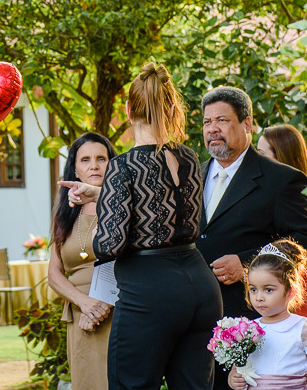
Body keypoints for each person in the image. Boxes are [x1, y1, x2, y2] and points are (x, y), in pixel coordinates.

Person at [89, 63, 222, 390]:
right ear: (171, 107)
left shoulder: (123, 165)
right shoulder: (190, 157)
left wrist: (96, 226)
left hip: (149, 293)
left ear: (128, 109)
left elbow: (110, 245)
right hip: (201, 287)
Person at [197, 87, 307, 389]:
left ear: (248, 124)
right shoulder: (192, 177)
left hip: (251, 327)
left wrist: (248, 263)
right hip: (193, 326)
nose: (213, 128)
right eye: (206, 122)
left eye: (222, 120)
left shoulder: (282, 179)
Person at [47, 132, 117, 390]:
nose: (94, 165)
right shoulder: (64, 213)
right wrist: (84, 303)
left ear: (113, 164)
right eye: (85, 160)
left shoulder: (121, 205)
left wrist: (101, 306)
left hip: (114, 310)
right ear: (75, 169)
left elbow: (129, 261)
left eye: (102, 158)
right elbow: (54, 273)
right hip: (80, 314)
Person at [228, 239, 307, 390]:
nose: (259, 297)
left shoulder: (304, 328)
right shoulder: (246, 329)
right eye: (253, 289)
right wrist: (233, 379)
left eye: (268, 290)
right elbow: (237, 370)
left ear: (290, 292)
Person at [257, 125, 307, 321]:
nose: (256, 162)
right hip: (274, 307)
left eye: (261, 155)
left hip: (301, 308)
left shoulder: (306, 210)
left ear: (281, 158)